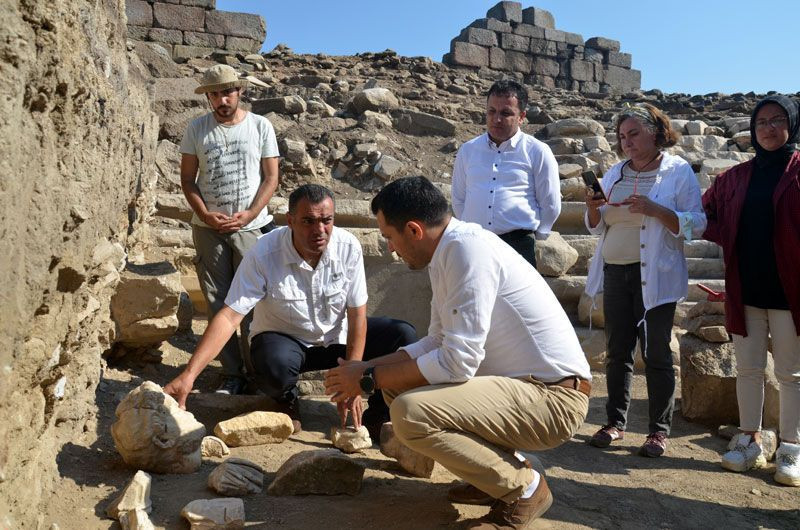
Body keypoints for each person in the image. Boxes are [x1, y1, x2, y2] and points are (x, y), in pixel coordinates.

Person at [324, 177, 590, 529]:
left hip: (553, 400)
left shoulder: (467, 251)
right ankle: (493, 479)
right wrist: (366, 367)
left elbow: (458, 361)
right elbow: (437, 341)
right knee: (398, 388)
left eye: (390, 237)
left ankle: (525, 488)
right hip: (525, 389)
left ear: (414, 230)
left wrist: (367, 380)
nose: (390, 248)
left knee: (409, 411)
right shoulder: (449, 250)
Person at [166, 184, 417, 435]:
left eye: (326, 221)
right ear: (290, 221)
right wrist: (189, 375)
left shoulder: (347, 246)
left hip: (336, 337)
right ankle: (286, 401)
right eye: (308, 221)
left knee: (402, 336)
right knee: (272, 364)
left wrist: (352, 375)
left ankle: (378, 416)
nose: (319, 230)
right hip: (286, 342)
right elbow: (230, 317)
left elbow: (357, 315)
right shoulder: (264, 252)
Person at [584, 103, 706, 457]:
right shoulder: (615, 172)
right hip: (615, 272)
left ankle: (657, 431)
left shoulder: (678, 171)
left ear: (654, 132)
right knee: (618, 351)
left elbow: (698, 224)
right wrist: (593, 207)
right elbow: (599, 223)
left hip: (655, 276)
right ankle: (615, 424)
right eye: (622, 136)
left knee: (656, 354)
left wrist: (656, 210)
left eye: (633, 134)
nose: (627, 142)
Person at [702, 95, 800, 486]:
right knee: (749, 368)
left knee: (792, 373)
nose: (769, 128)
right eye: (761, 122)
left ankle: (791, 448)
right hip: (747, 287)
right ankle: (749, 440)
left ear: (792, 124)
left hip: (790, 290)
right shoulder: (735, 177)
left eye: (778, 120)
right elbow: (707, 214)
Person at [179, 64, 280, 395]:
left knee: (251, 300)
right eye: (215, 94)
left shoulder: (261, 126)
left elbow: (271, 178)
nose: (222, 100)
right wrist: (206, 214)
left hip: (251, 227)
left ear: (239, 92)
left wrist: (250, 213)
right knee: (216, 300)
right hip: (209, 229)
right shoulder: (197, 129)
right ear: (208, 97)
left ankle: (257, 373)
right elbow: (187, 180)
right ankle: (232, 373)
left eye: (227, 92)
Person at [451, 79, 560, 269]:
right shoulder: (468, 150)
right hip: (474, 244)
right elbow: (459, 199)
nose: (496, 119)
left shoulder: (537, 151)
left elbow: (550, 202)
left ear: (522, 116)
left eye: (506, 113)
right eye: (491, 111)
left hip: (518, 246)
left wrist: (537, 235)